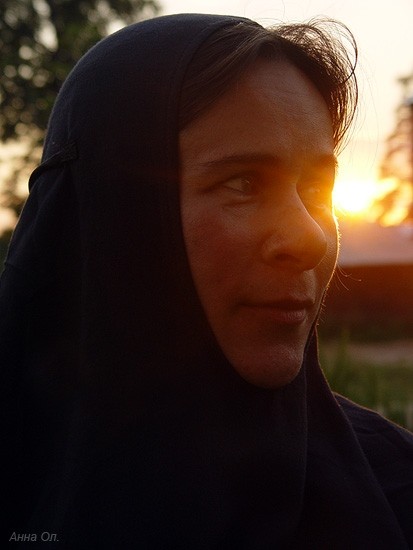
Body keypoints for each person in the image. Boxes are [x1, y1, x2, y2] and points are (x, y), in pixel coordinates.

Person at [1, 13, 412, 548]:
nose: (310, 239)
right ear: (109, 216)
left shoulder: (394, 494)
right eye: (243, 183)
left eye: (315, 190)